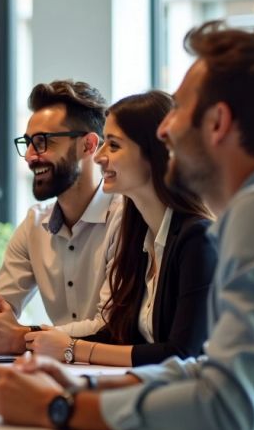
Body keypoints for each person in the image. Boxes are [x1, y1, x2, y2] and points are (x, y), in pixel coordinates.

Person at [0, 21, 254, 430]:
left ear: (217, 123)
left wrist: (59, 408)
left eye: (180, 109)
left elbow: (230, 409)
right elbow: (209, 371)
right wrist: (85, 391)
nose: (165, 129)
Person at [22, 91, 216, 367]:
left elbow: (183, 354)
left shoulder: (197, 239)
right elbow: (121, 334)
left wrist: (74, 350)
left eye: (113, 145)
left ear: (154, 153)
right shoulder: (138, 234)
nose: (99, 157)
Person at [0, 80, 123, 354]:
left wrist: (23, 337)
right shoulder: (35, 224)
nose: (29, 157)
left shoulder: (124, 216)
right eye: (27, 143)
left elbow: (112, 324)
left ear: (88, 146)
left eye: (42, 143)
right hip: (58, 373)